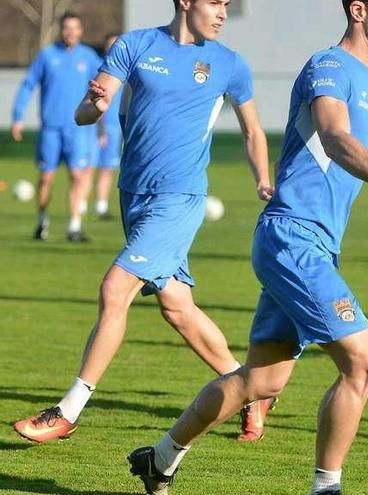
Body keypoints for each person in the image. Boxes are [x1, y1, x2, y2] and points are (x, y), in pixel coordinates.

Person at [126, 1, 368, 494]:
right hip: (293, 237)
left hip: (308, 244)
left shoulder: (366, 80)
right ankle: (325, 488)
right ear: (358, 10)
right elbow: (333, 136)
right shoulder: (329, 67)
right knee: (366, 362)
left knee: (260, 382)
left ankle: (160, 458)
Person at [13, 0, 276, 445]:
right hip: (133, 195)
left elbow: (252, 131)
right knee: (178, 307)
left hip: (180, 197)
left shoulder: (229, 64)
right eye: (215, 2)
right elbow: (85, 113)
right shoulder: (135, 46)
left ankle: (68, 410)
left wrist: (263, 182)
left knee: (115, 289)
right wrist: (95, 103)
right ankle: (249, 387)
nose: (222, 13)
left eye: (228, 6)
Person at [11, 12, 102, 242]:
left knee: (77, 175)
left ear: (81, 31)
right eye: (67, 28)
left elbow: (102, 90)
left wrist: (100, 124)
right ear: (62, 30)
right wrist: (18, 116)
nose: (71, 32)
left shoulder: (89, 57)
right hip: (51, 128)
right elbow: (28, 84)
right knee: (46, 177)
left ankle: (74, 226)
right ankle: (42, 221)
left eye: (75, 28)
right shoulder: (47, 55)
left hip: (78, 129)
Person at [92, 33, 124, 220]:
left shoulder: (125, 69)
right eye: (110, 44)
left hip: (115, 128)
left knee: (107, 168)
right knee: (86, 169)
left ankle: (101, 206)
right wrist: (100, 128)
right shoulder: (97, 66)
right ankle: (79, 206)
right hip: (94, 126)